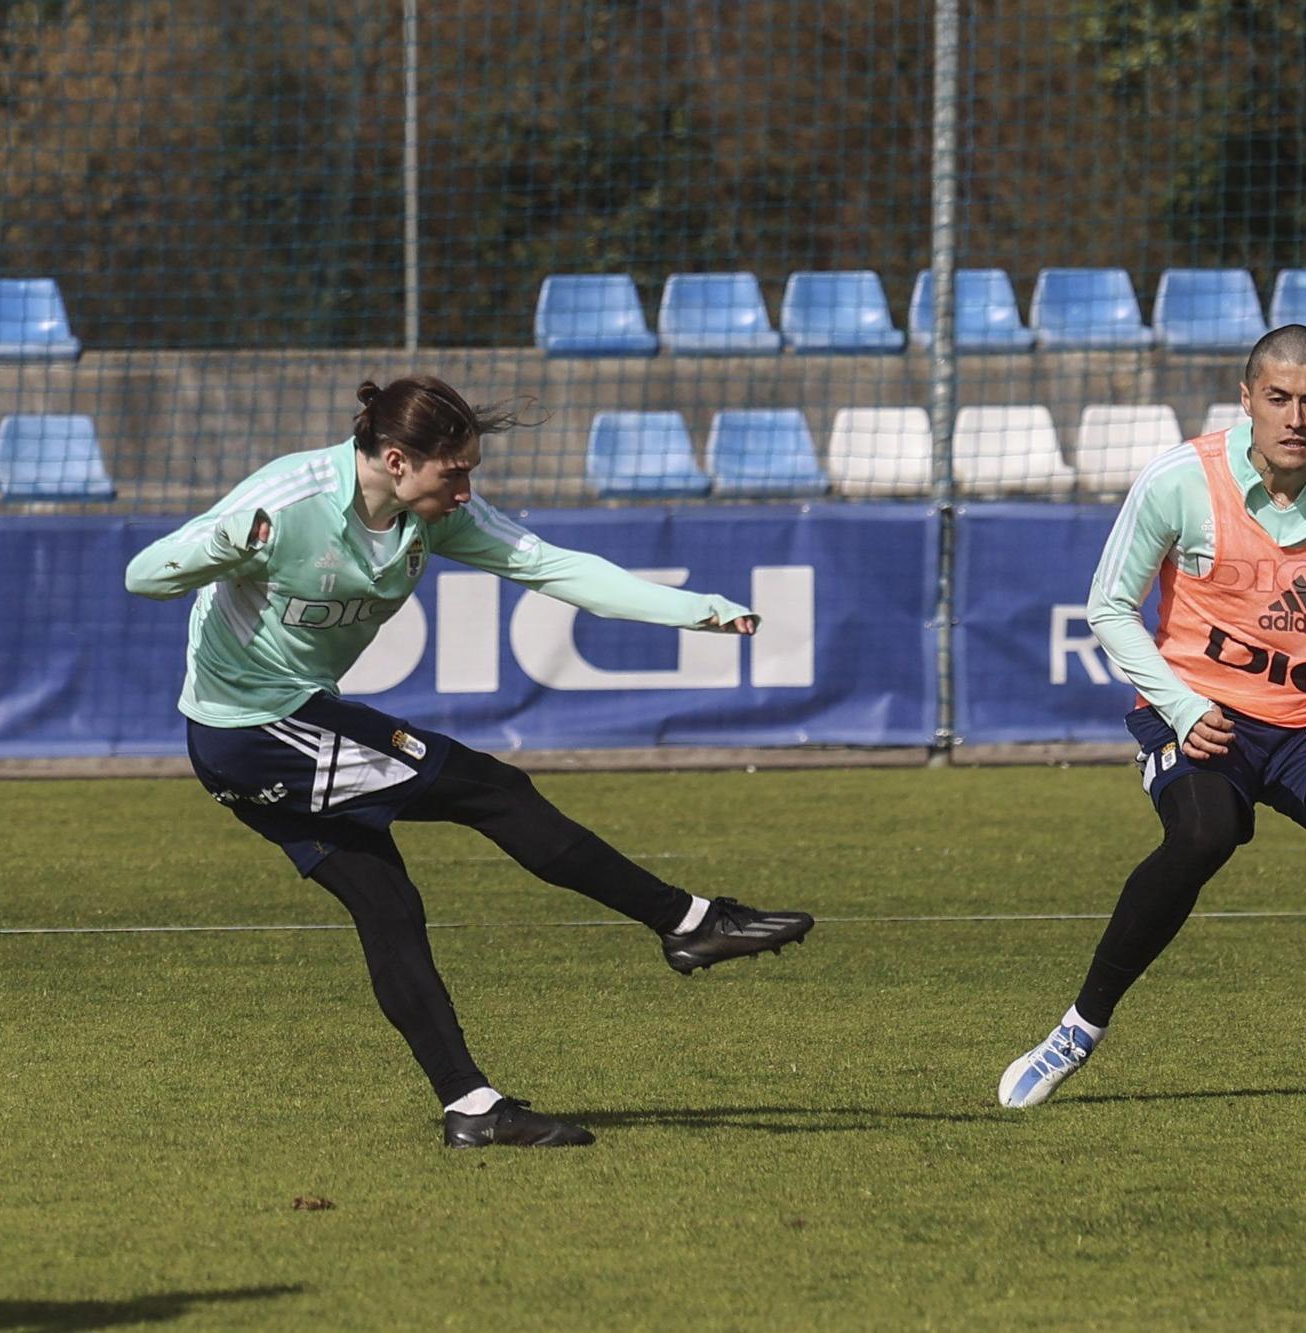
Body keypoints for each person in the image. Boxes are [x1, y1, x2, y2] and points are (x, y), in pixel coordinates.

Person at [126, 375, 813, 1149]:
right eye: (454, 473)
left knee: (389, 908)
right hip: (253, 729)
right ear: (395, 460)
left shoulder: (434, 517)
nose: (465, 490)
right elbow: (143, 575)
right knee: (489, 787)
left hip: (284, 726)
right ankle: (688, 921)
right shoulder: (287, 501)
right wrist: (217, 545)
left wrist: (693, 608)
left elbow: (554, 567)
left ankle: (472, 1106)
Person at [997, 325, 1306, 1110]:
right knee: (1205, 832)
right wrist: (1184, 709)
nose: (1295, 417)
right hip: (1200, 712)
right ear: (1246, 399)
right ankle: (1077, 1029)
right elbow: (1108, 607)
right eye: (1278, 397)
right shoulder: (1180, 479)